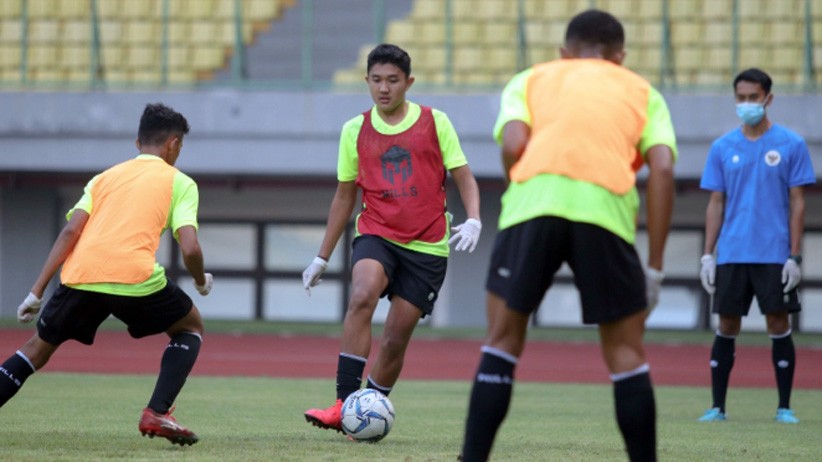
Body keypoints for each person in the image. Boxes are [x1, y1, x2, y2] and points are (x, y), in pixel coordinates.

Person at [459, 10, 676, 462]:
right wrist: (654, 267)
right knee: (625, 353)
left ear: (564, 53)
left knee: (502, 341)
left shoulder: (531, 79)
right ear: (620, 57)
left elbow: (513, 144)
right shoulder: (642, 91)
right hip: (604, 213)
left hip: (532, 208)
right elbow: (663, 169)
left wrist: (526, 190)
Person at [1, 103, 213, 446]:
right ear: (174, 144)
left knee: (36, 349)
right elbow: (190, 249)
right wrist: (201, 281)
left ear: (137, 143)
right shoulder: (181, 182)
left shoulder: (103, 178)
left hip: (82, 275)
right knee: (190, 328)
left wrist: (35, 292)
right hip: (135, 278)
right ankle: (157, 412)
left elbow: (70, 232)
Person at [301, 43, 482, 435]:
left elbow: (464, 176)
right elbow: (344, 197)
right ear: (366, 80)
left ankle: (363, 414)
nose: (384, 88)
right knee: (362, 295)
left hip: (427, 245)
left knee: (395, 339)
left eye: (393, 81)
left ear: (408, 83)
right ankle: (343, 405)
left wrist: (474, 219)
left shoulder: (435, 122)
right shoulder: (354, 130)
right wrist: (321, 257)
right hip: (377, 233)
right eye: (377, 80)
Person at [697, 68, 815, 424]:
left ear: (768, 99)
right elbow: (716, 203)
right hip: (732, 252)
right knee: (726, 323)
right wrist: (707, 255)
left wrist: (794, 256)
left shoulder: (791, 144)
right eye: (741, 98)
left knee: (777, 323)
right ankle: (717, 407)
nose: (746, 104)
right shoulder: (722, 147)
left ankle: (784, 407)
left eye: (753, 97)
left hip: (774, 253)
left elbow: (797, 202)